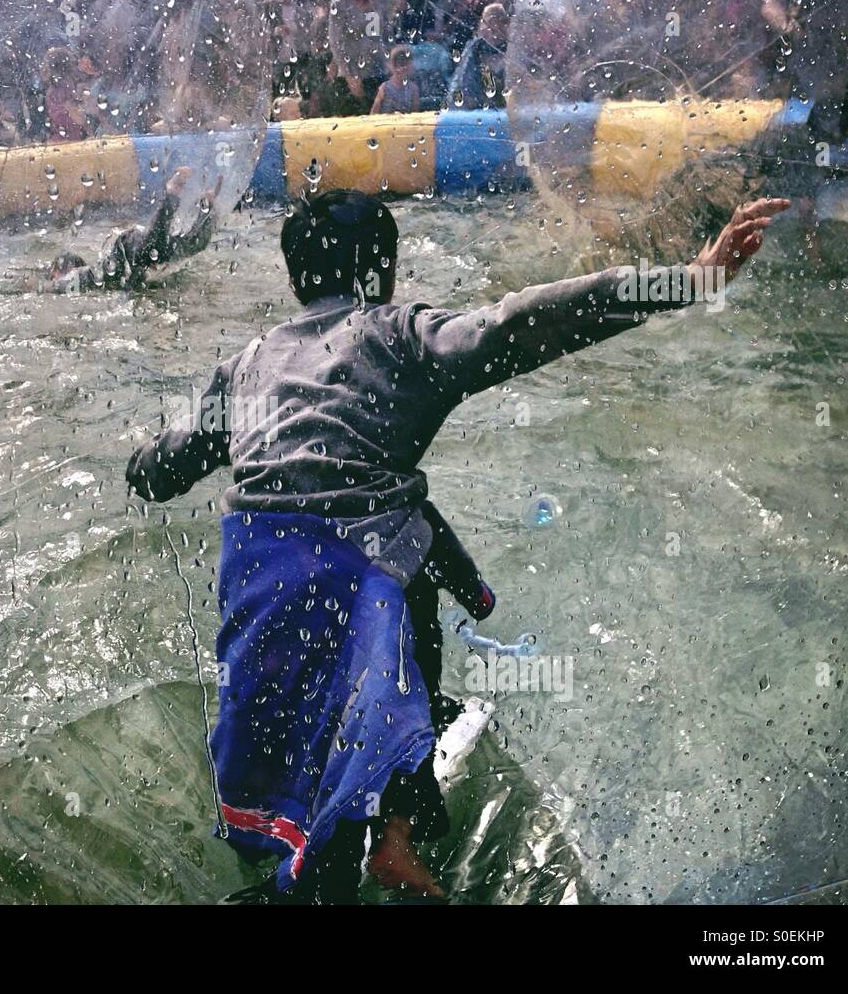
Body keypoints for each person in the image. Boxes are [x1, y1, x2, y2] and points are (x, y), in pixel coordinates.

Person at [125, 189, 789, 902]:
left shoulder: (246, 364)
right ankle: (396, 838)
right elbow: (527, 319)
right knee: (401, 584)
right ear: (381, 269)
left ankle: (308, 864)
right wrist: (686, 279)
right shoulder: (399, 333)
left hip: (259, 581)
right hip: (362, 575)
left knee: (305, 767)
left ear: (296, 277)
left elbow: (163, 470)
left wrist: (137, 462)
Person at [45, 166, 215, 293]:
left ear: (57, 271)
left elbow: (54, 286)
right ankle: (207, 207)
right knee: (189, 245)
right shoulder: (95, 278)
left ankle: (173, 196)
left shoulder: (85, 275)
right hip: (135, 257)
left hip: (126, 248)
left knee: (153, 248)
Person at [326, 0, 392, 115]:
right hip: (351, 70)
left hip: (375, 69)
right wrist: (349, 75)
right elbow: (335, 41)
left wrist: (389, 61)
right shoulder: (340, 1)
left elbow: (378, 33)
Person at [447, 2, 509, 109]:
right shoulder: (476, 47)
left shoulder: (513, 48)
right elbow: (463, 83)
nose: (484, 28)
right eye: (485, 23)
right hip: (473, 107)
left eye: (492, 24)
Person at [372, 45, 422, 115]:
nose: (400, 68)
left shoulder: (413, 89)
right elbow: (373, 113)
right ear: (391, 66)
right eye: (397, 64)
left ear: (410, 65)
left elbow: (415, 115)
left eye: (404, 63)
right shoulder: (384, 88)